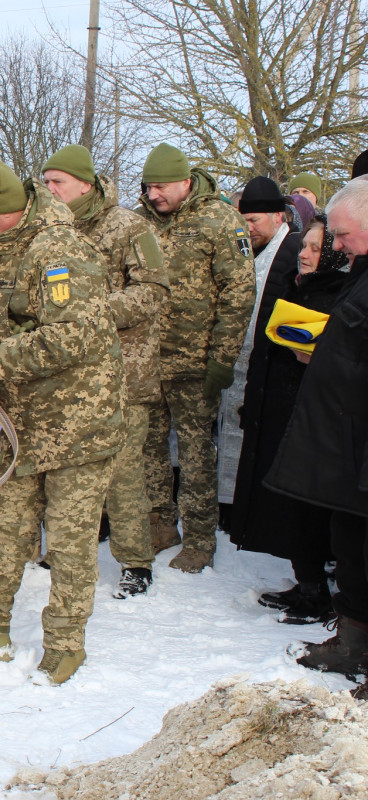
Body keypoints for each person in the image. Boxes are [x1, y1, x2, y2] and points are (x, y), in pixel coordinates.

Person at [0, 159, 125, 685]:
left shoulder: (59, 251)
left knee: (69, 544)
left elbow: (75, 338)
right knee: (3, 531)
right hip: (22, 421)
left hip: (77, 425)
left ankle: (66, 645)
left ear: (4, 212)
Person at [42, 144, 168, 598]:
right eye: (46, 182)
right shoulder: (49, 230)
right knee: (65, 464)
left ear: (85, 183)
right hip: (66, 373)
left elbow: (153, 291)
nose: (50, 189)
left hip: (123, 375)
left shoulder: (129, 226)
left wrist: (92, 313)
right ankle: (63, 549)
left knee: (122, 470)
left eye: (57, 182)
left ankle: (136, 560)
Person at [263, 178, 368, 689]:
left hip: (359, 439)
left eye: (343, 235)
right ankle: (352, 642)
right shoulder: (361, 275)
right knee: (350, 545)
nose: (336, 246)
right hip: (346, 443)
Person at [136, 143, 255, 572]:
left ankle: (201, 538)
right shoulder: (140, 221)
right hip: (148, 363)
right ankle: (161, 524)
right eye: (149, 188)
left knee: (195, 453)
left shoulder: (220, 220)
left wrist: (221, 359)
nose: (154, 196)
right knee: (148, 449)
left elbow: (238, 294)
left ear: (186, 181)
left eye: (162, 187)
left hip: (195, 362)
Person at [230, 214, 348, 623]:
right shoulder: (299, 288)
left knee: (309, 508)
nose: (305, 255)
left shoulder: (339, 296)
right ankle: (307, 582)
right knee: (291, 504)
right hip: (282, 410)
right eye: (304, 247)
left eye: (317, 248)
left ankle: (317, 591)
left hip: (315, 417)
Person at [216, 178, 301, 516]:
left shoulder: (291, 251)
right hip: (238, 371)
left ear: (278, 217)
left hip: (274, 368)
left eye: (254, 220)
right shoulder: (243, 251)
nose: (247, 228)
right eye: (242, 220)